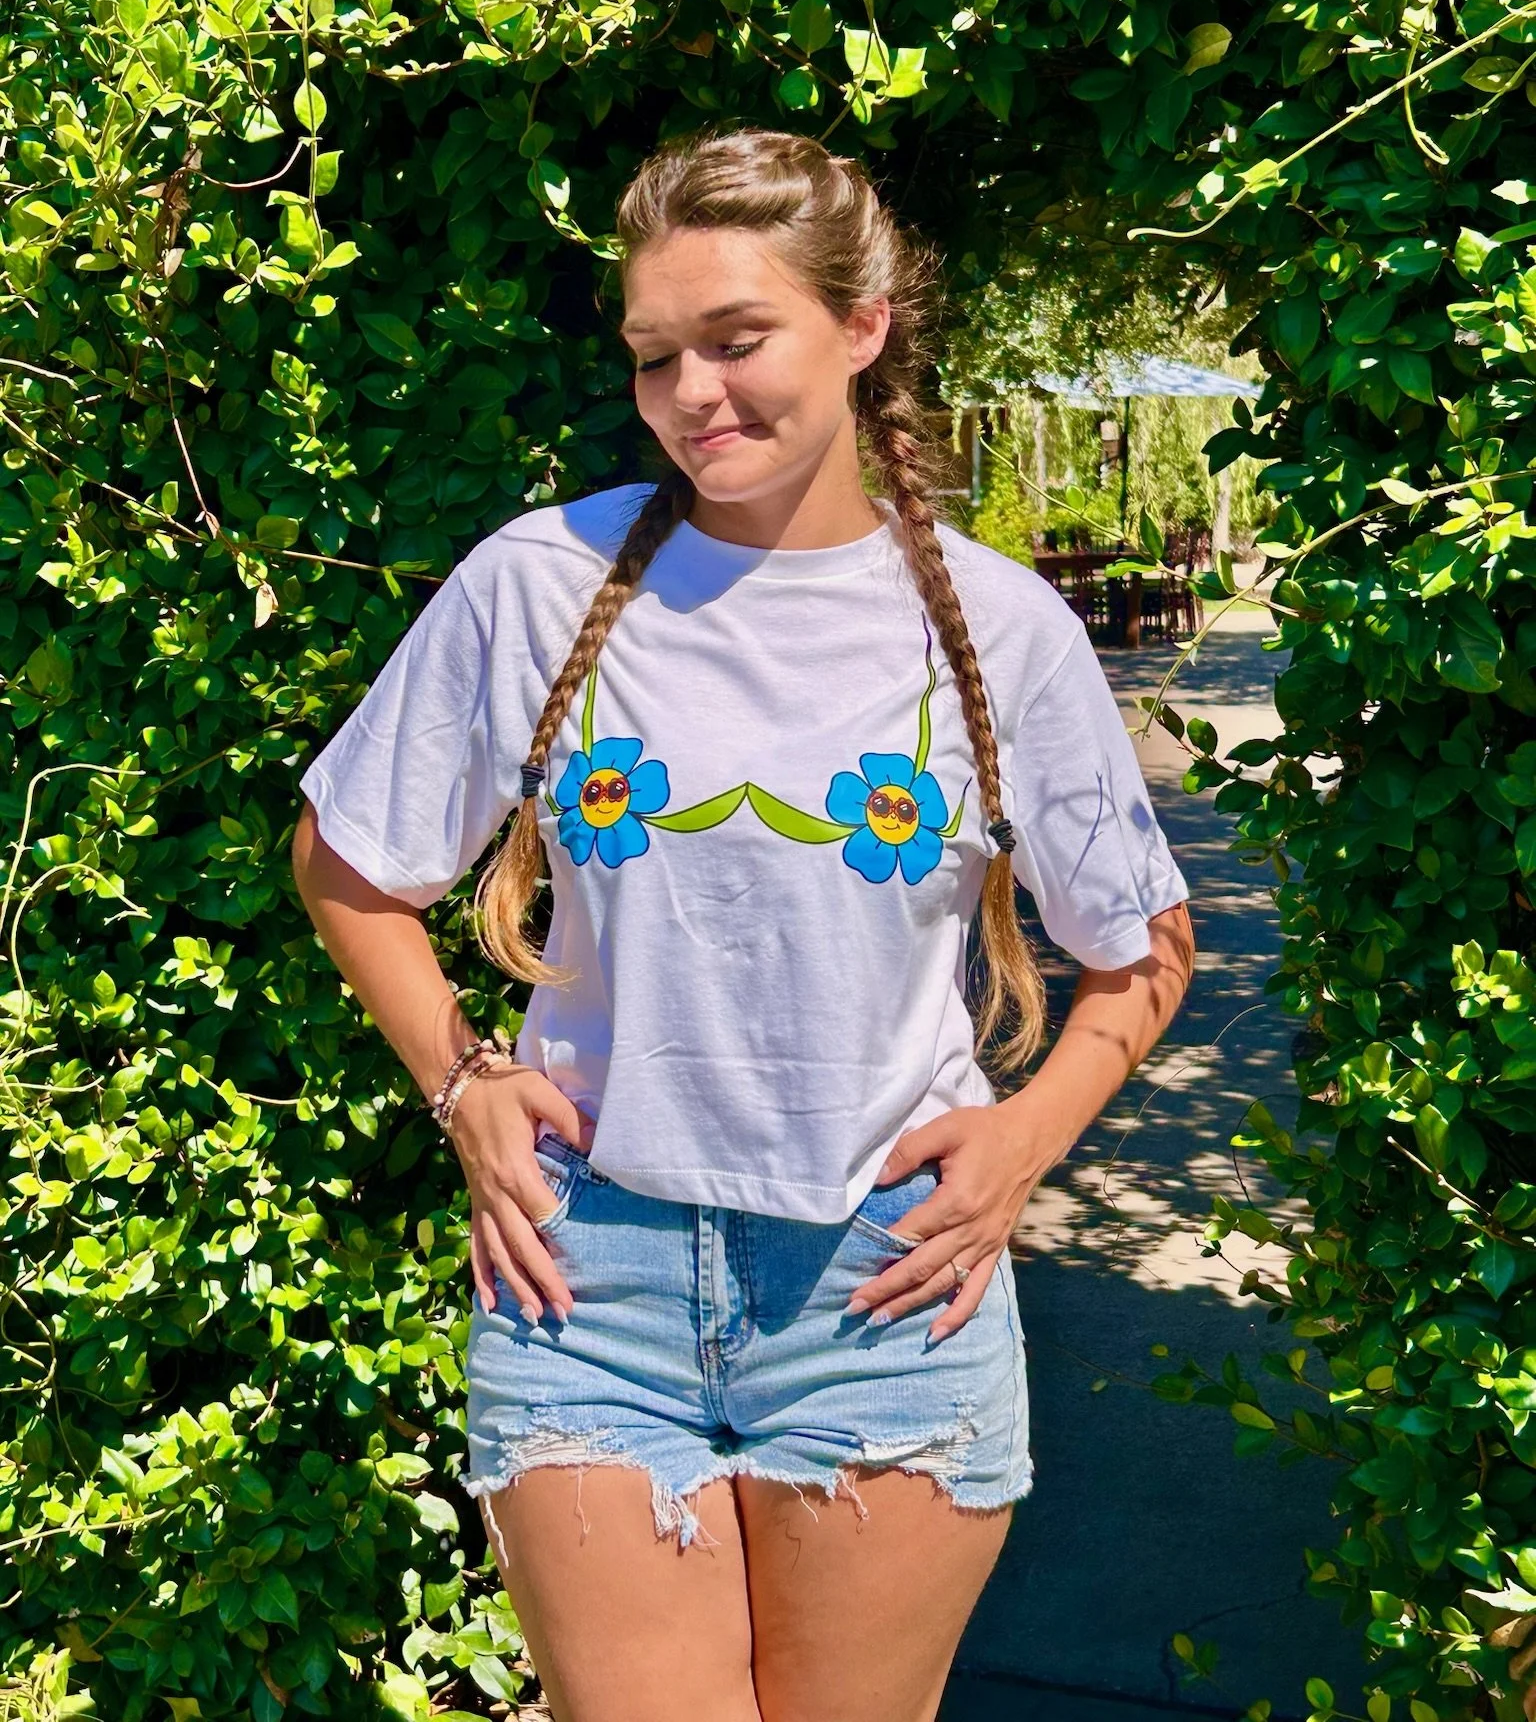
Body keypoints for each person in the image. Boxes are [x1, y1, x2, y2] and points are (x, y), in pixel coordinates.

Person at [291, 126, 1195, 1722]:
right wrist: (464, 1083)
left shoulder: (1000, 626)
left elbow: (1141, 944)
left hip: (885, 1292)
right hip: (587, 1283)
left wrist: (1030, 1136)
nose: (692, 392)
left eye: (736, 339)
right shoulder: (540, 585)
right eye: (656, 357)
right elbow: (349, 865)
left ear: (862, 326)